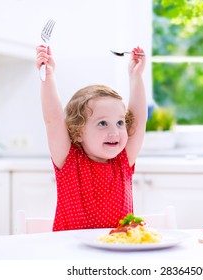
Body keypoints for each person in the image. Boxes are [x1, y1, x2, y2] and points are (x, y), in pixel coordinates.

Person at [35, 45, 147, 231]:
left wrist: (136, 77)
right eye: (103, 123)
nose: (115, 132)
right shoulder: (69, 161)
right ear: (78, 131)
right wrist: (49, 76)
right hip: (70, 251)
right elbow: (53, 120)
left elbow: (139, 120)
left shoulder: (123, 161)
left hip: (116, 253)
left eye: (120, 123)